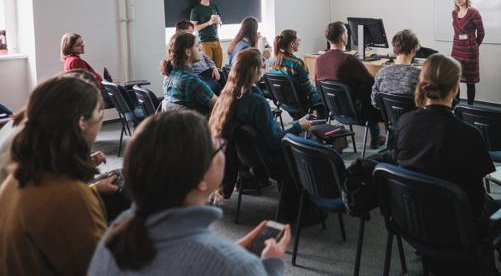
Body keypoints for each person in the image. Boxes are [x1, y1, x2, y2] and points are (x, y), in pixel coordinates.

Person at [87, 110, 290, 276]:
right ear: (200, 181)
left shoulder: (116, 235)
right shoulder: (237, 266)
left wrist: (227, 253)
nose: (223, 149)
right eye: (218, 148)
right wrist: (270, 267)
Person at [0, 74, 108, 275]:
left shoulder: (18, 175)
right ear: (82, 122)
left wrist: (92, 190)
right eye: (98, 112)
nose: (100, 119)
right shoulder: (71, 196)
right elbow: (100, 270)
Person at [385, 53, 495, 223]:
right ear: (455, 88)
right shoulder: (469, 135)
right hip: (457, 226)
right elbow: (477, 200)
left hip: (412, 219)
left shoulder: (404, 122)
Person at [209, 49, 314, 219]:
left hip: (250, 158)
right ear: (254, 71)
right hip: (272, 159)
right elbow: (276, 141)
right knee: (311, 143)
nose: (264, 67)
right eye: (261, 65)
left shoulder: (228, 96)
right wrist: (298, 126)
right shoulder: (257, 103)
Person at [315, 21, 385, 148]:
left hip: (334, 109)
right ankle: (376, 138)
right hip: (357, 111)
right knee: (371, 95)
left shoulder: (319, 61)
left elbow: (318, 86)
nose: (347, 35)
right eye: (346, 32)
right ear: (342, 37)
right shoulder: (349, 60)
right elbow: (372, 82)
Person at [161, 32, 217, 114]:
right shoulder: (192, 80)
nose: (199, 49)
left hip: (177, 122)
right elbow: (219, 106)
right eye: (196, 46)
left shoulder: (168, 76)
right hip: (199, 121)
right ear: (187, 52)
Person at [268, 29, 322, 114]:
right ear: (292, 43)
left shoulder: (273, 61)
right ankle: (321, 121)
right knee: (324, 96)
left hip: (283, 102)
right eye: (298, 40)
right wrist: (317, 88)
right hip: (300, 102)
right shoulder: (298, 63)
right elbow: (308, 90)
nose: (300, 42)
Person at [370, 29, 421, 108]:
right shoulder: (419, 74)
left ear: (394, 50)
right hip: (413, 115)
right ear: (413, 51)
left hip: (388, 116)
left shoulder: (381, 73)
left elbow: (375, 103)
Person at [450, 0, 484, 105]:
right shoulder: (454, 13)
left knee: (470, 81)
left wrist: (474, 45)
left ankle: (470, 106)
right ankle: (456, 105)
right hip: (456, 50)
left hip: (470, 52)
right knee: (455, 79)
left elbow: (481, 32)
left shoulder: (474, 13)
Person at [175, 20, 222, 95]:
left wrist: (214, 68)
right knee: (215, 87)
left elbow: (206, 57)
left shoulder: (193, 42)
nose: (192, 35)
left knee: (225, 80)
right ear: (179, 31)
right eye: (189, 32)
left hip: (207, 71)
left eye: (192, 32)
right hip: (199, 75)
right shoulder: (180, 46)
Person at [190, 0, 223, 68]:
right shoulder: (196, 9)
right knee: (208, 69)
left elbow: (220, 21)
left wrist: (219, 21)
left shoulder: (214, 7)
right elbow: (193, 28)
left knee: (219, 68)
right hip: (204, 42)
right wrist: (209, 22)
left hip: (216, 41)